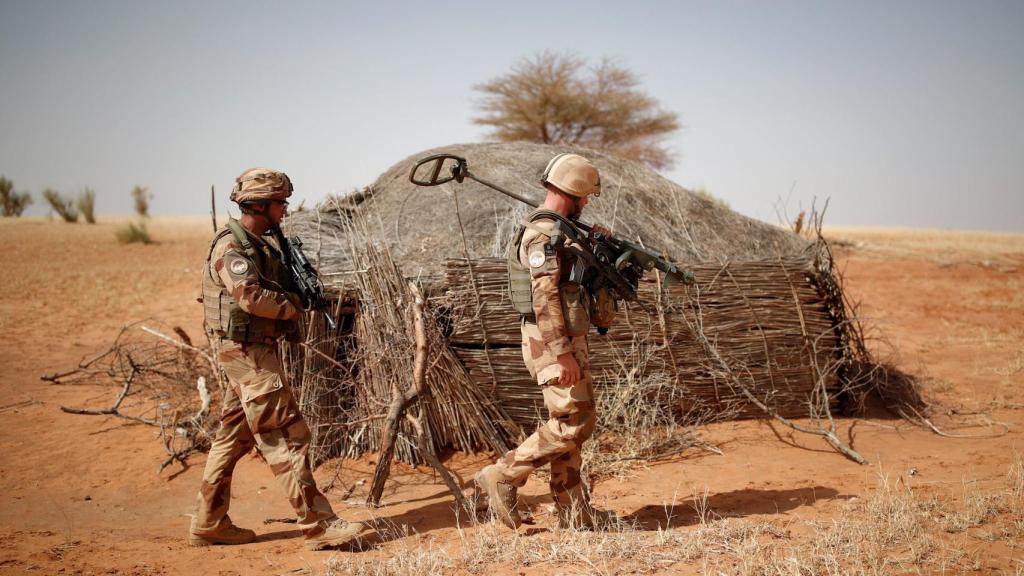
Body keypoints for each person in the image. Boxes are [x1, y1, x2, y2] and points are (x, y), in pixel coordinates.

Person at [189, 167, 366, 550]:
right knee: (286, 435)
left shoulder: (260, 243)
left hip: (249, 353)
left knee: (232, 438)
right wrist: (294, 306)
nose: (285, 210)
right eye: (280, 203)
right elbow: (250, 297)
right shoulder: (231, 247)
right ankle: (317, 525)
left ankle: (209, 522)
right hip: (246, 354)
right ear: (260, 205)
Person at [475, 153, 618, 530]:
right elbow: (545, 298)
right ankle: (504, 474)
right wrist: (562, 353)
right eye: (584, 196)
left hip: (567, 338)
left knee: (572, 421)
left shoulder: (565, 231)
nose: (586, 204)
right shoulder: (544, 235)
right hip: (551, 341)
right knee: (575, 424)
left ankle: (574, 513)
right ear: (571, 191)